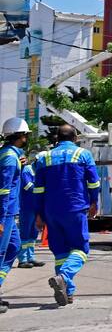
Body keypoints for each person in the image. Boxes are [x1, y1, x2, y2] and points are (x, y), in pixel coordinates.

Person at [33, 124, 100, 306]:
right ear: (75, 138)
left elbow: (38, 189)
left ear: (57, 138)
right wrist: (95, 202)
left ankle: (67, 292)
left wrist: (38, 213)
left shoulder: (44, 158)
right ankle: (64, 276)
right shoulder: (83, 154)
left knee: (61, 251)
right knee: (80, 249)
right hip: (75, 208)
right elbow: (94, 183)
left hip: (51, 211)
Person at [0, 117, 29, 313]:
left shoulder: (9, 154)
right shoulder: (10, 158)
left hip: (10, 212)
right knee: (1, 252)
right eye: (26, 135)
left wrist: (22, 164)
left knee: (13, 248)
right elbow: (3, 190)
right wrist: (1, 219)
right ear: (21, 136)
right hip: (5, 213)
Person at [17, 157, 44, 268]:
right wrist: (43, 189)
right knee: (25, 232)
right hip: (27, 206)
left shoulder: (40, 171)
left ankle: (30, 257)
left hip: (36, 206)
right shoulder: (27, 170)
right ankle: (22, 260)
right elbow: (28, 186)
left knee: (34, 233)